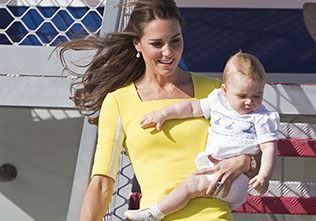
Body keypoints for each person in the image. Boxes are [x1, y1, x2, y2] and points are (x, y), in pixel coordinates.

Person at [57, 1, 261, 220]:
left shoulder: (214, 92)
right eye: (157, 44)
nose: (168, 52)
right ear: (137, 44)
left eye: (175, 41)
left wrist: (246, 162)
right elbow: (101, 183)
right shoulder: (118, 101)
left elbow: (259, 158)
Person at [124, 52, 280, 221]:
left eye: (257, 96)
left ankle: (153, 213)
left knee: (191, 185)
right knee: (192, 184)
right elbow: (192, 108)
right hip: (214, 171)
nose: (249, 102)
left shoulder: (262, 118)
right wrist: (164, 114)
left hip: (234, 180)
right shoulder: (218, 102)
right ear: (225, 91)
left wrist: (264, 175)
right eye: (242, 96)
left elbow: (269, 148)